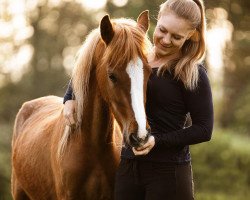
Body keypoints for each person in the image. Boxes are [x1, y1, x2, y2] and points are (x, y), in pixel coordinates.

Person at [63, 0, 213, 199]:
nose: (166, 40)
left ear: (191, 35)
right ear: (156, 21)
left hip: (168, 173)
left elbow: (204, 129)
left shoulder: (191, 72)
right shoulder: (137, 58)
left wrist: (157, 141)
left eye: (176, 37)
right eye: (163, 30)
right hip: (128, 169)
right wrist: (70, 96)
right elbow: (98, 67)